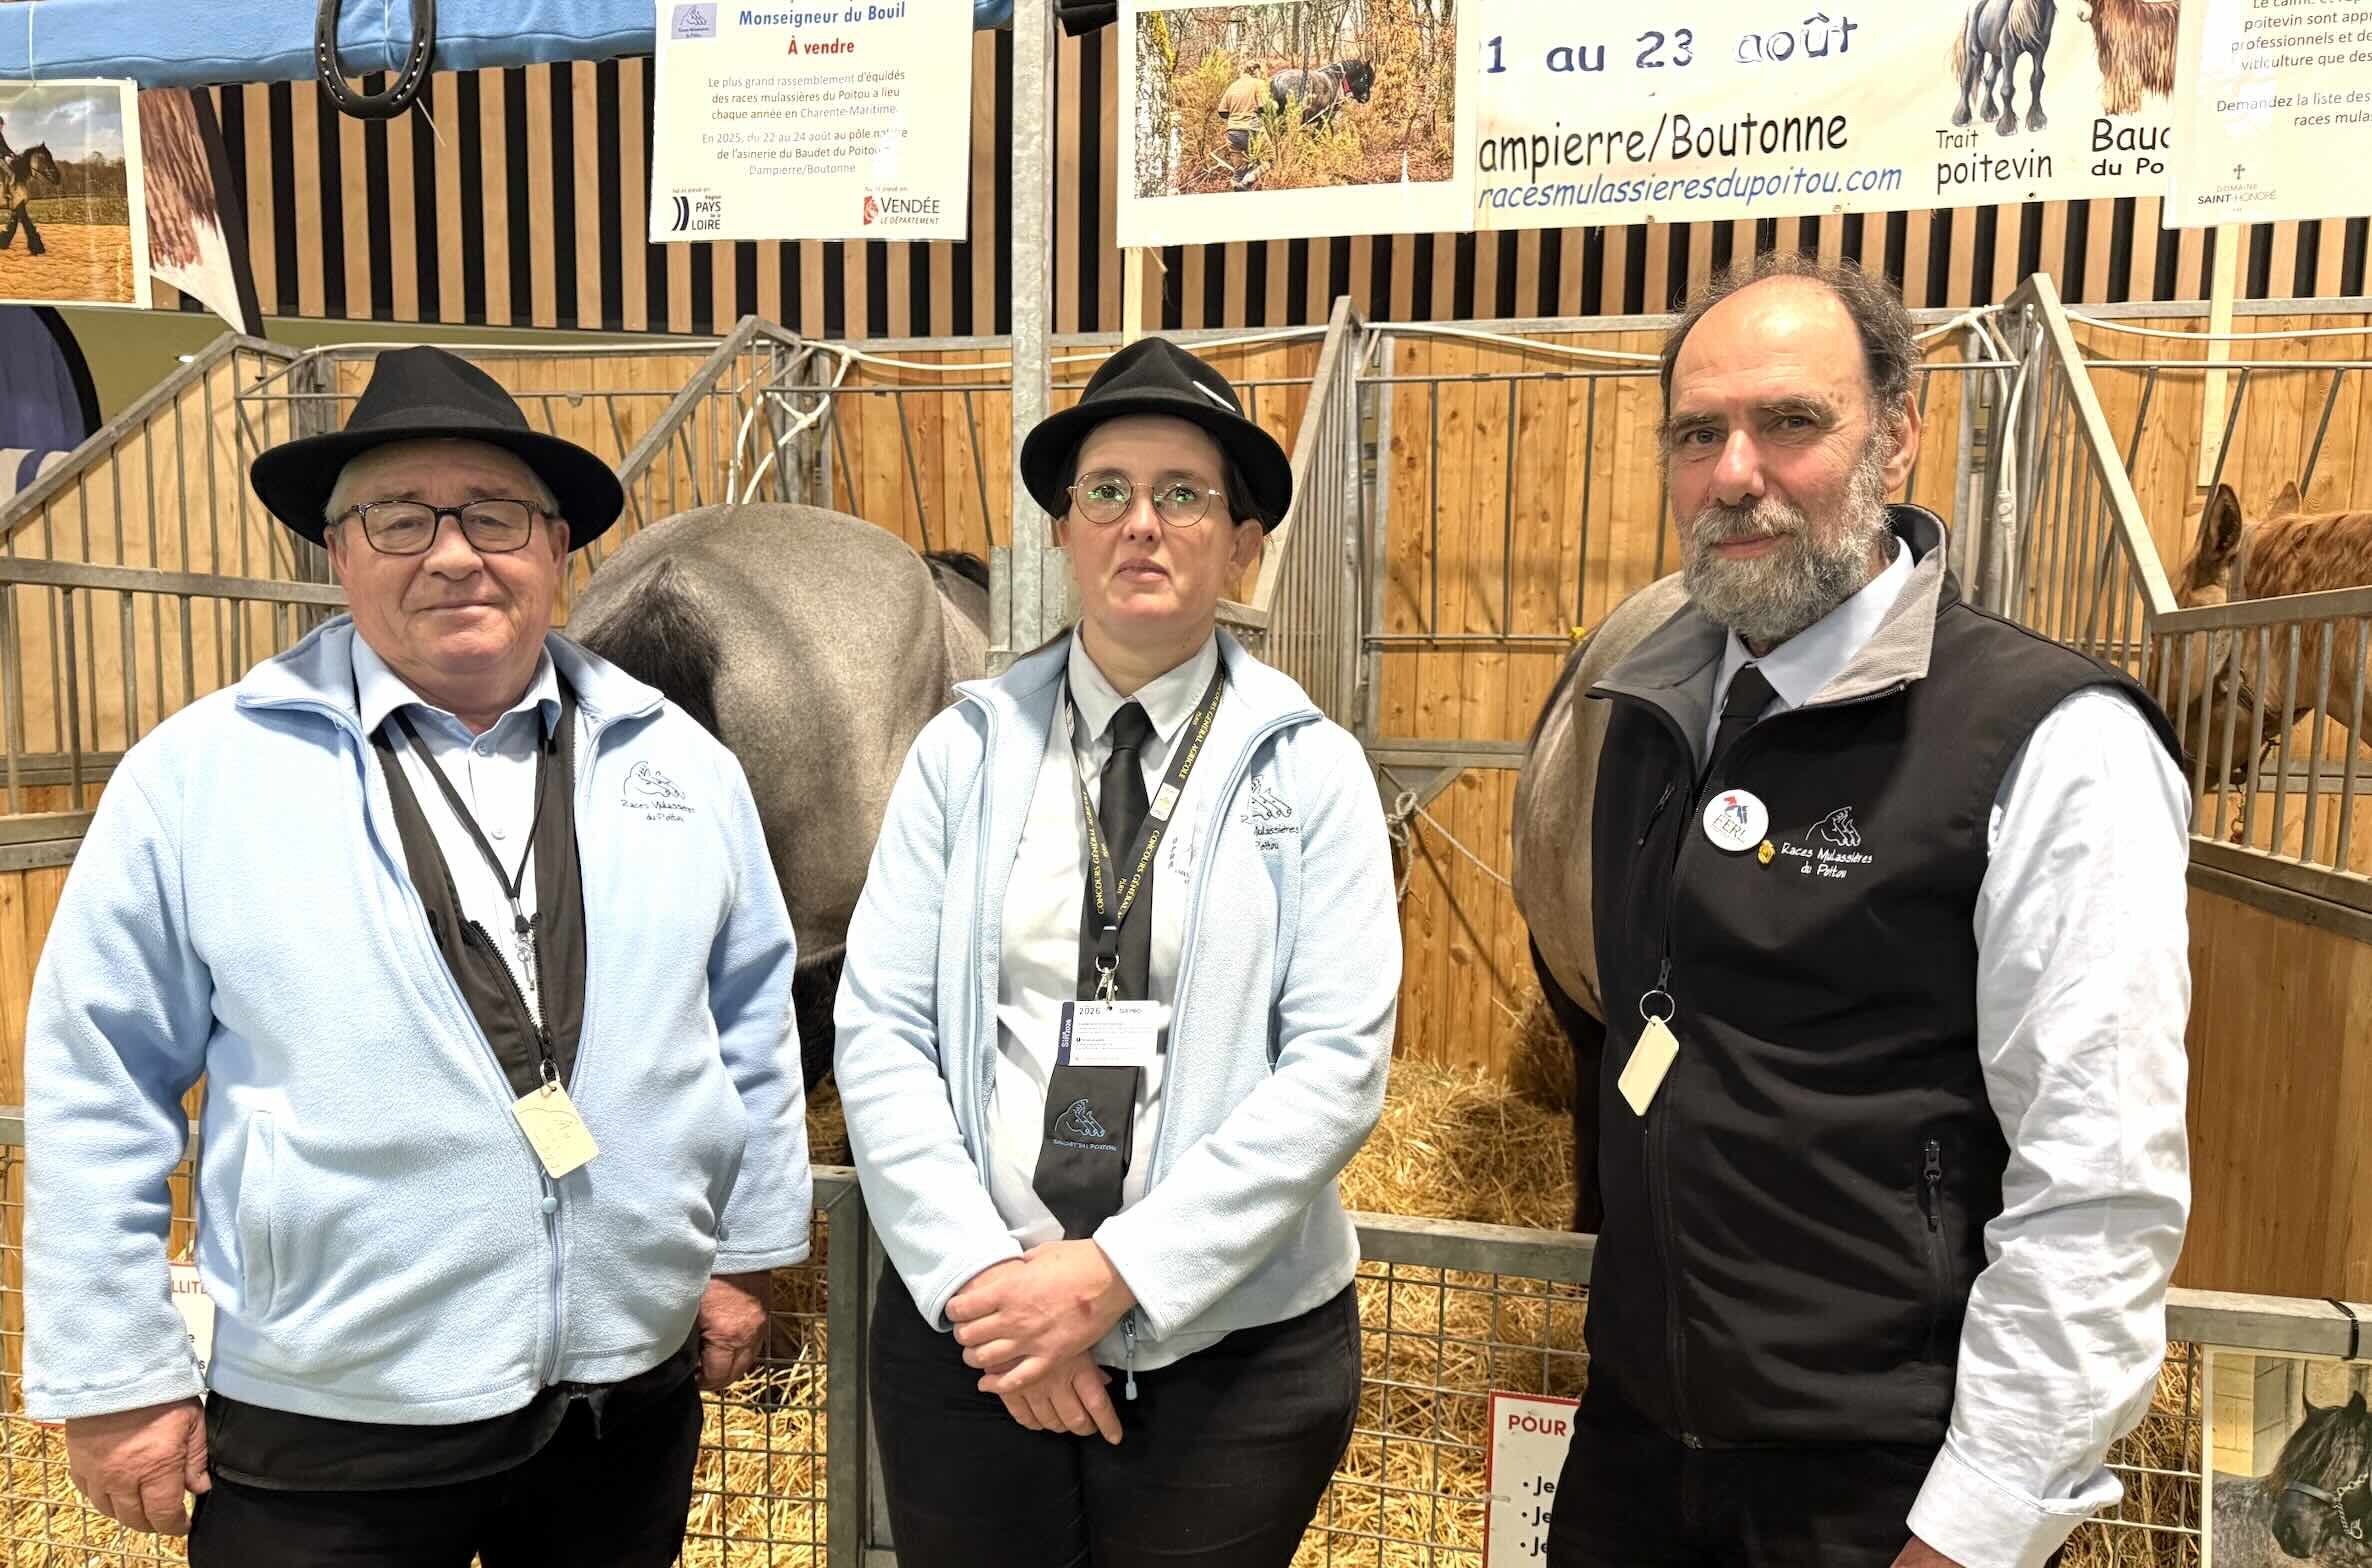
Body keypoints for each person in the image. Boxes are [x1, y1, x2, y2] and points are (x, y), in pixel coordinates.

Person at [23, 345, 812, 1567]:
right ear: (339, 554)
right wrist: (114, 1370)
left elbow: (749, 1016)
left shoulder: (679, 766)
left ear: (556, 547)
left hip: (620, 1398)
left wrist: (740, 1255)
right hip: (331, 1419)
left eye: (495, 514)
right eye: (400, 517)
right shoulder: (201, 776)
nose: (454, 552)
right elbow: (97, 1081)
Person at [1544, 254, 2192, 1568]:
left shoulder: (2049, 742)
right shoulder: (1650, 716)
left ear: (1898, 431)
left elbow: (2099, 1187)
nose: (1736, 474)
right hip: (1633, 1458)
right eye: (1698, 434)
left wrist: (1980, 1525)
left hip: (1879, 1495)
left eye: (1791, 423)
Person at [834, 335, 1399, 1568]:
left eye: (1182, 494)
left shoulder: (1311, 773)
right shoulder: (960, 755)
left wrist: (1114, 1277)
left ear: (1241, 544)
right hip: (976, 1337)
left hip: (1232, 1360)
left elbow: (1337, 1066)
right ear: (1062, 529)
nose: (1140, 524)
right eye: (1106, 492)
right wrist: (991, 1284)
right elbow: (880, 1027)